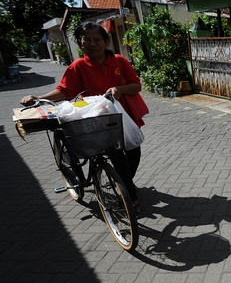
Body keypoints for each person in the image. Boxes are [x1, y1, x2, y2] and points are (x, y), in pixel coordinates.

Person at [20, 21, 148, 214]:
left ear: (106, 42)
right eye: (86, 39)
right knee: (117, 155)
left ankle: (124, 182)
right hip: (95, 120)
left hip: (124, 117)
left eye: (97, 39)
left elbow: (136, 85)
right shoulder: (78, 66)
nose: (92, 43)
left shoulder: (119, 61)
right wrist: (38, 98)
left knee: (133, 151)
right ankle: (130, 195)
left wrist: (119, 89)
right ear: (81, 43)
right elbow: (64, 90)